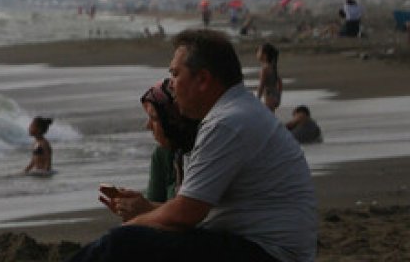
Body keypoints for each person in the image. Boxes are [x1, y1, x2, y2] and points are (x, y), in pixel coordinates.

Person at [67, 29, 316, 262]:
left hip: (270, 253)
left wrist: (134, 224)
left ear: (203, 79)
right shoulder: (238, 111)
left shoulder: (226, 123)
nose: (171, 84)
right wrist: (147, 210)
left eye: (175, 74)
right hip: (259, 247)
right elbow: (195, 210)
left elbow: (187, 214)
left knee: (119, 243)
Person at [101, 78, 200, 221]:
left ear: (172, 120)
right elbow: (150, 210)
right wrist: (131, 209)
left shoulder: (204, 150)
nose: (148, 126)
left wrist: (145, 208)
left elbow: (198, 216)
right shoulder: (163, 154)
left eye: (154, 118)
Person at [255, 43, 282, 112]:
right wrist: (278, 97)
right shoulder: (272, 67)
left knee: (266, 118)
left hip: (268, 97)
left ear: (265, 55)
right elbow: (280, 83)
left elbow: (261, 86)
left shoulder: (264, 69)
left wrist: (257, 99)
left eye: (259, 51)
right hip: (274, 96)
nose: (257, 53)